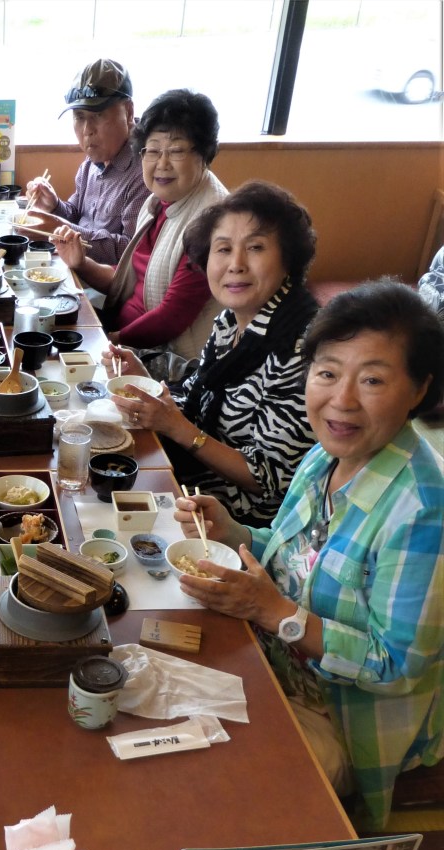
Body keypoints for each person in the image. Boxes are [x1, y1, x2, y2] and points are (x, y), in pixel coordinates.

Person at [173, 280, 444, 831]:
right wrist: (234, 532)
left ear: (419, 389)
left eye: (372, 379)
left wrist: (275, 613)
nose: (342, 400)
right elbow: (294, 555)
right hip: (272, 665)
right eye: (327, 373)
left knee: (210, 793)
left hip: (341, 717)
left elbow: (396, 666)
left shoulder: (424, 511)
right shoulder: (326, 455)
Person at [109, 181, 320, 526]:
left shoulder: (300, 351)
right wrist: (141, 379)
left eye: (255, 247)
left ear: (288, 261)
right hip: (193, 481)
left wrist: (178, 429)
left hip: (238, 520)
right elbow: (194, 395)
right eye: (223, 249)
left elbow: (269, 479)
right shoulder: (230, 322)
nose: (236, 264)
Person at [53, 89, 226, 363]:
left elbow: (171, 318)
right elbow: (128, 277)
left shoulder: (212, 224)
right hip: (123, 330)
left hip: (167, 359)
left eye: (176, 151)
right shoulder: (158, 202)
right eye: (153, 151)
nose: (162, 164)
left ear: (204, 154)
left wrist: (108, 340)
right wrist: (81, 263)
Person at [24, 59, 149, 265]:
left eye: (98, 115)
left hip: (105, 282)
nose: (87, 130)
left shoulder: (145, 171)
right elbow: (77, 215)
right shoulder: (92, 162)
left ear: (128, 112)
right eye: (79, 116)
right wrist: (54, 206)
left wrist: (58, 228)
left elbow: (130, 250)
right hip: (74, 267)